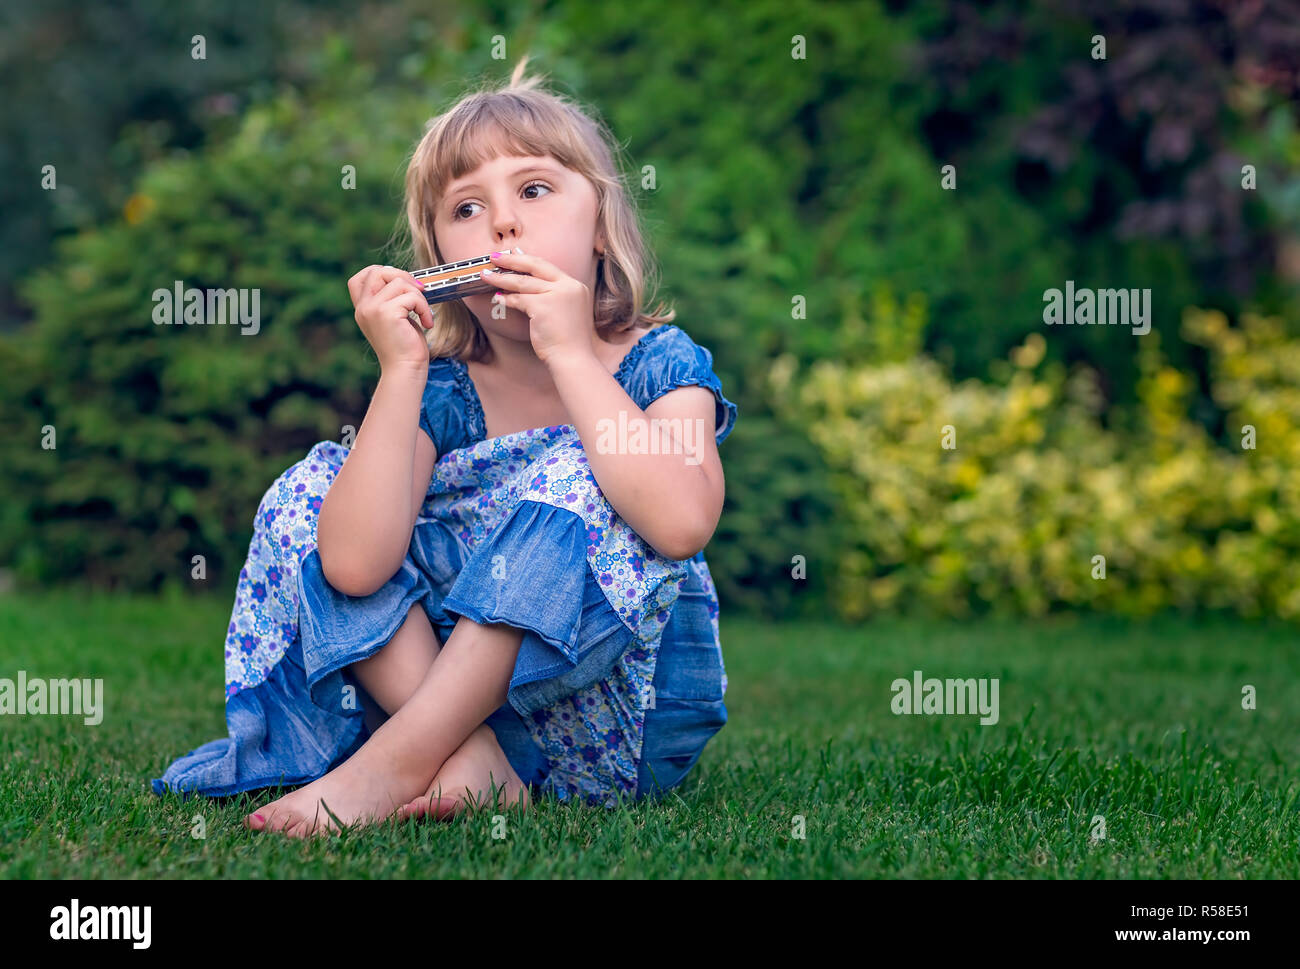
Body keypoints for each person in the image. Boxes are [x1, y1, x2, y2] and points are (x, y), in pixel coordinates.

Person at [151, 55, 738, 838]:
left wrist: (569, 353)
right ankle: (472, 751)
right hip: (458, 708)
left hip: (616, 724)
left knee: (591, 461)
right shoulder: (446, 391)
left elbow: (683, 521)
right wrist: (400, 369)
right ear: (440, 262)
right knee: (320, 490)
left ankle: (397, 760)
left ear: (600, 227)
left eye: (534, 190)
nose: (501, 224)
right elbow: (355, 565)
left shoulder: (659, 363)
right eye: (466, 208)